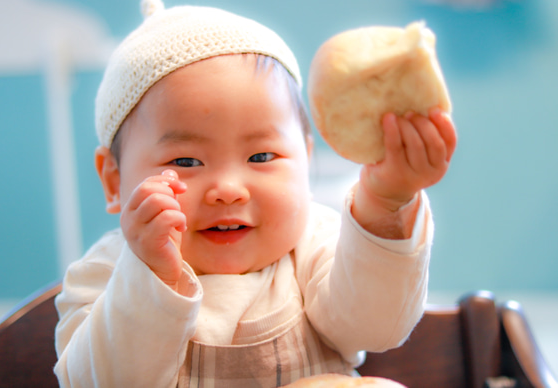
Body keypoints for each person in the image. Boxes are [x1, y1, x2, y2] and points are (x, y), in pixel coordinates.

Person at [53, 1, 457, 387]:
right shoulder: (105, 274)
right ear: (113, 180)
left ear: (305, 160)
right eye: (187, 162)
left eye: (261, 155)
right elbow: (103, 381)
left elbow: (376, 325)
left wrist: (387, 202)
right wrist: (149, 276)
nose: (228, 189)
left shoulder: (314, 247)